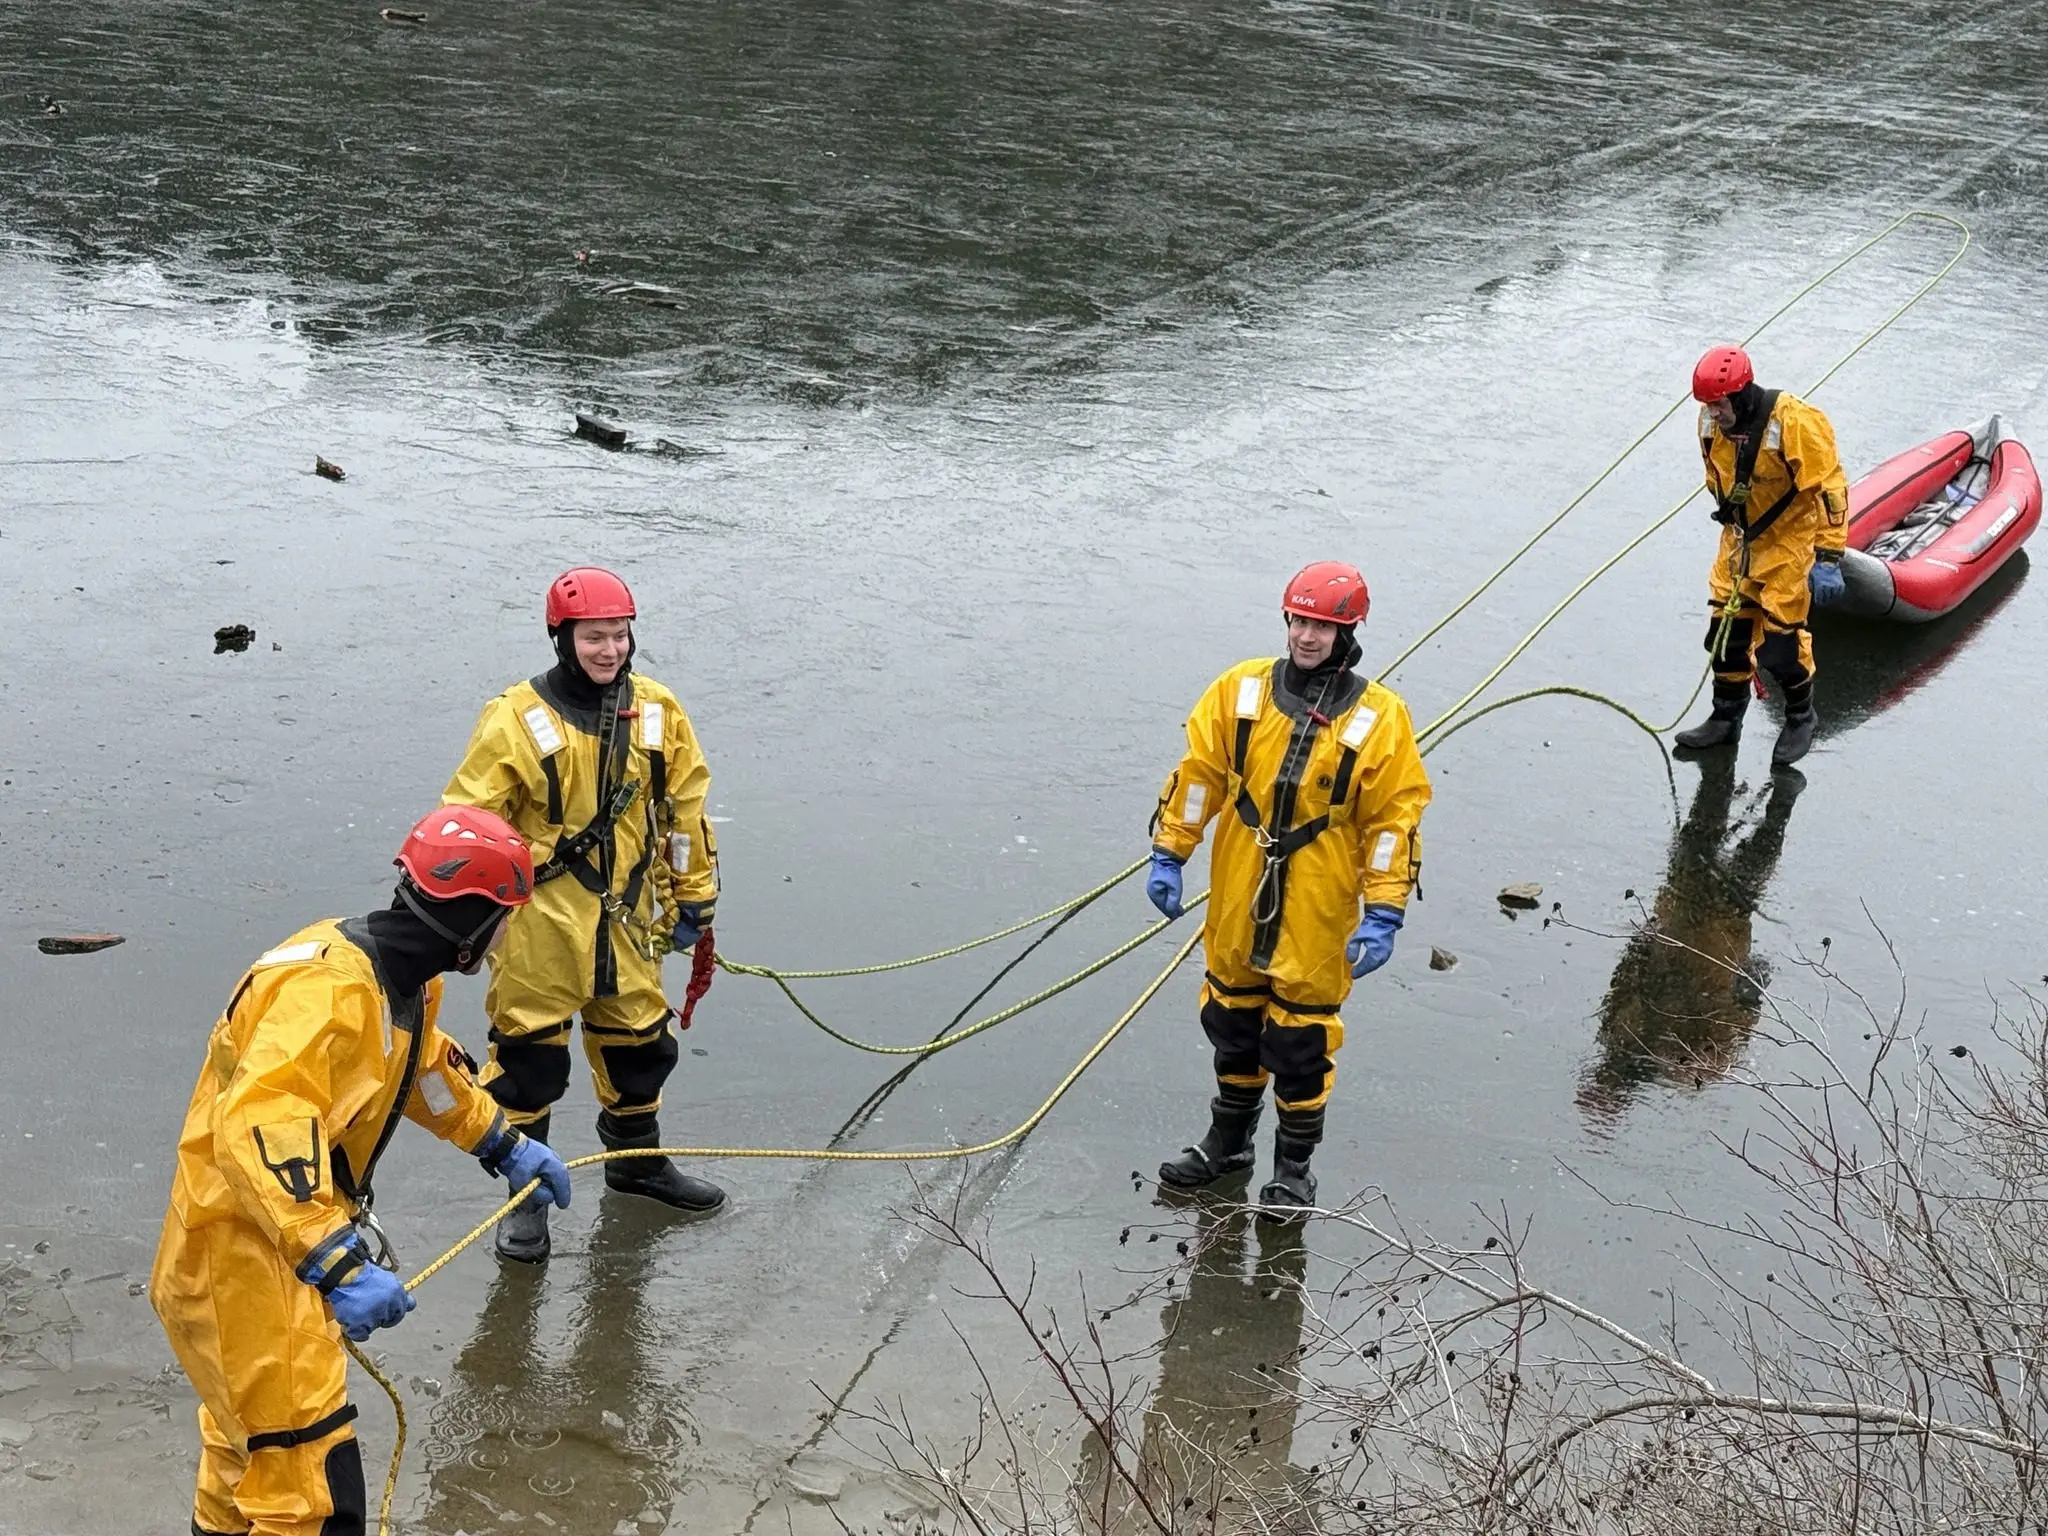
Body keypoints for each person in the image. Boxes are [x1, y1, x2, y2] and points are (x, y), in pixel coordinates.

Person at [150, 807, 574, 1536]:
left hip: (262, 1244)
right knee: (308, 1483)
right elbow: (263, 1122)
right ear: (471, 923)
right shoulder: (328, 993)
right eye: (505, 917)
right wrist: (337, 1262)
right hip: (244, 1256)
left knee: (243, 1449)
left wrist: (499, 1142)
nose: (509, 934)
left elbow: (414, 1069)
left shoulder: (392, 976)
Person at [443, 566, 724, 1263]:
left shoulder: (657, 713)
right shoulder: (515, 718)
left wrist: (695, 896)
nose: (610, 650)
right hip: (538, 920)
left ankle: (636, 1165)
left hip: (627, 917)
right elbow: (471, 819)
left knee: (641, 1046)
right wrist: (466, 915)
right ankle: (526, 1199)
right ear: (562, 637)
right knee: (527, 1066)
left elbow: (683, 811)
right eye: (595, 637)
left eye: (621, 636)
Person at [1144, 562, 1431, 1214]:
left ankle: (1293, 1169)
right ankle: (1228, 1142)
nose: (1307, 636)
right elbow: (1200, 777)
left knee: (1300, 1041)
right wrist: (1170, 851)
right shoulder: (1239, 693)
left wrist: (1384, 910)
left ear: (1347, 629)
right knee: (1232, 1018)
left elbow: (1392, 822)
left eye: (1322, 625)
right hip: (1241, 882)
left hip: (1319, 894)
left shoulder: (1382, 719)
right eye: (1299, 621)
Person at [1674, 344, 1850, 768]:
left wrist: (1828, 556)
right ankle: (1725, 719)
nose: (1712, 412)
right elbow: (1718, 476)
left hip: (1787, 545)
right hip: (1740, 544)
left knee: (1781, 648)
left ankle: (1801, 716)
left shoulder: (1793, 422)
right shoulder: (1710, 425)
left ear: (1740, 393)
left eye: (1718, 403)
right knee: (1725, 640)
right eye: (1707, 405)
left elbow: (1829, 488)